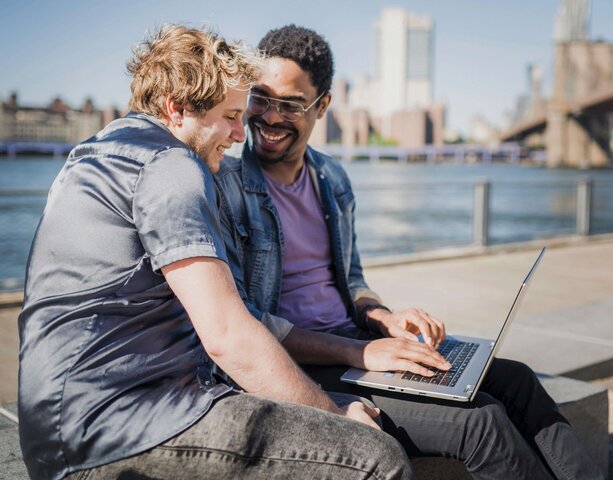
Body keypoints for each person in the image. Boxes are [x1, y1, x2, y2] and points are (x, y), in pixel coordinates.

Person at [17, 24, 413, 480]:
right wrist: (336, 416)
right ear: (177, 108)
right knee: (374, 457)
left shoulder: (102, 149)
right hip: (116, 424)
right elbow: (227, 336)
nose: (239, 133)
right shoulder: (171, 168)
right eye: (229, 116)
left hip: (67, 420)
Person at [215, 24, 605, 480]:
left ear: (322, 106)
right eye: (260, 98)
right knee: (480, 422)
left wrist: (385, 319)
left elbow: (352, 279)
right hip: (297, 366)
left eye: (291, 104)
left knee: (515, 379)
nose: (270, 116)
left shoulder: (331, 178)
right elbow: (244, 321)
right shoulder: (227, 184)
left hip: (354, 345)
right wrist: (360, 353)